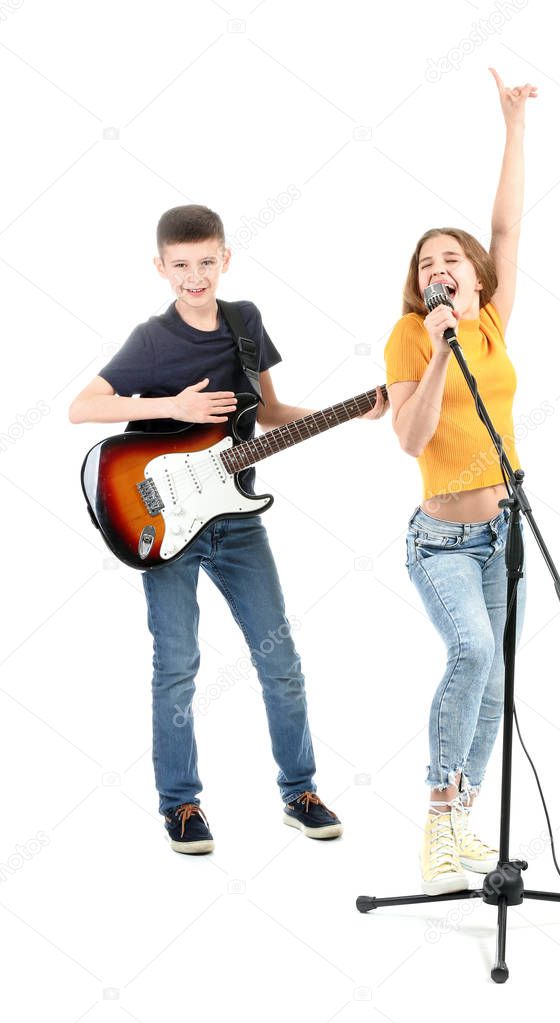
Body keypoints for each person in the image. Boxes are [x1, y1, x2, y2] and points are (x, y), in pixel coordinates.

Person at [69, 204, 385, 853]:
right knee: (177, 665)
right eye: (180, 265)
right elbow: (82, 407)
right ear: (161, 267)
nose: (194, 275)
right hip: (164, 522)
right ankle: (180, 806)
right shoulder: (152, 338)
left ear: (225, 259)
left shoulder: (245, 322)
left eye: (206, 261)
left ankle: (300, 791)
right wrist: (173, 406)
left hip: (235, 519)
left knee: (281, 659)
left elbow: (266, 412)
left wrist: (349, 411)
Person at [384, 69, 538, 894]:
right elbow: (410, 436)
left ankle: (466, 818)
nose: (439, 267)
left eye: (451, 258)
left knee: (498, 677)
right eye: (425, 263)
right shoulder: (414, 338)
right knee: (471, 650)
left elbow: (505, 227)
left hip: (502, 531)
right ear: (422, 287)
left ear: (475, 277)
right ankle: (435, 815)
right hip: (439, 534)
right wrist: (438, 350)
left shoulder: (493, 323)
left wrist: (513, 126)